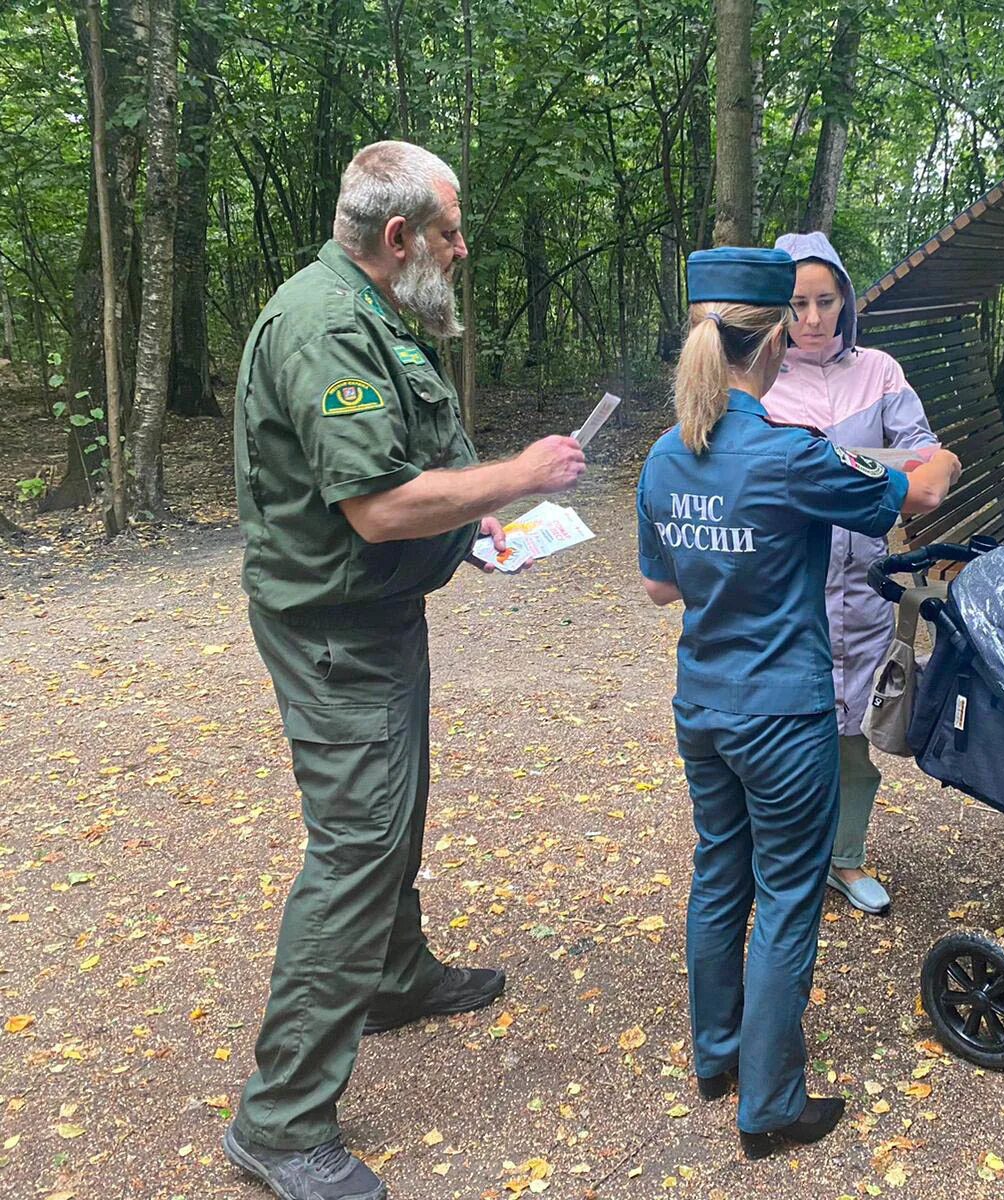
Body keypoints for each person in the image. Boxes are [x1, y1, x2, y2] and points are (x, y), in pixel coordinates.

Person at [223, 140, 586, 1200]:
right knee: (357, 844)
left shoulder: (370, 310)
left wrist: (468, 532)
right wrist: (514, 478)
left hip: (375, 610)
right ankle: (281, 1120)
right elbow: (376, 507)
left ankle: (390, 975)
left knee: (394, 813)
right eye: (452, 232)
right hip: (335, 627)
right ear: (400, 237)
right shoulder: (326, 324)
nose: (462, 249)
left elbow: (395, 487)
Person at [636, 247, 960, 1158]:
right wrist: (945, 456)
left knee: (718, 874)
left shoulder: (665, 457)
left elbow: (661, 590)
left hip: (702, 703)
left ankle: (717, 1055)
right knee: (785, 897)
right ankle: (771, 1104)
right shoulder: (789, 455)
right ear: (776, 338)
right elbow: (918, 491)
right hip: (782, 713)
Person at [761, 230, 941, 916]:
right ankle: (782, 862)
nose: (810, 319)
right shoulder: (760, 375)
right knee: (785, 732)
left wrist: (890, 467)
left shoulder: (880, 372)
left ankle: (845, 858)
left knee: (853, 738)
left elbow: (923, 456)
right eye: (796, 303)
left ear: (846, 301)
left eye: (824, 301)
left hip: (865, 584)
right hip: (788, 585)